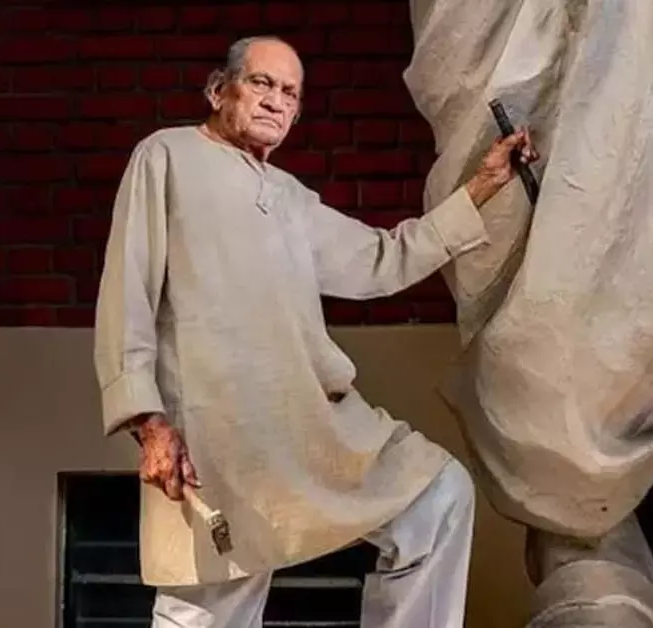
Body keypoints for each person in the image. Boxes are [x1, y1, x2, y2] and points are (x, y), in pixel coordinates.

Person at [92, 34, 539, 628]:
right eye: (261, 83)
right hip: (216, 432)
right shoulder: (166, 156)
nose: (276, 101)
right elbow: (128, 289)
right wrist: (148, 423)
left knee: (438, 497)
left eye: (290, 93)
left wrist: (483, 184)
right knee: (207, 606)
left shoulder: (291, 199)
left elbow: (384, 259)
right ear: (218, 90)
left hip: (310, 421)